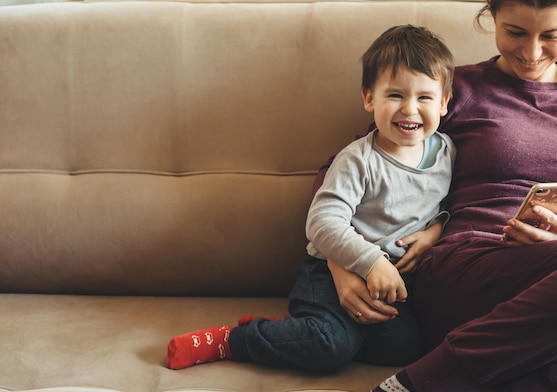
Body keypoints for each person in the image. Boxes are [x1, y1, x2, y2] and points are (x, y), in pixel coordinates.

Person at [318, 0, 557, 390]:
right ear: (492, 17)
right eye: (515, 32)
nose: (532, 53)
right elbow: (344, 169)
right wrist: (343, 263)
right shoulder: (452, 90)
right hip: (468, 268)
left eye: (551, 36)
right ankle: (430, 380)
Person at [165, 25, 456, 372]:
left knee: (404, 349)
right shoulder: (358, 160)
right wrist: (371, 262)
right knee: (329, 347)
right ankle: (234, 340)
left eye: (424, 97)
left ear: (443, 103)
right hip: (329, 272)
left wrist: (437, 228)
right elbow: (322, 223)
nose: (409, 109)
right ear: (369, 98)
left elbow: (448, 205)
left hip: (390, 283)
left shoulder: (446, 152)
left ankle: (292, 335)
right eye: (395, 95)